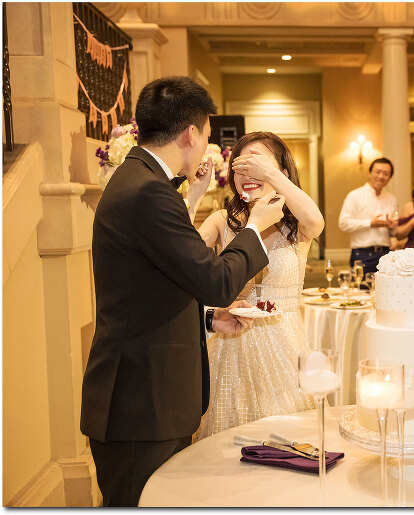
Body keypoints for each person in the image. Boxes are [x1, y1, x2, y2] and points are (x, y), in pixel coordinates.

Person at [80, 76, 284, 506]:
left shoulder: (139, 179)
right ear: (190, 134)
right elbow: (217, 281)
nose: (207, 145)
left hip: (146, 397)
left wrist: (209, 318)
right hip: (141, 404)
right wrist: (255, 228)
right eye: (207, 134)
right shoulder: (149, 191)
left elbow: (149, 289)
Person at [194, 132, 325, 439]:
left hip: (285, 348)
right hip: (231, 347)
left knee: (289, 443)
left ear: (282, 172)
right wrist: (196, 195)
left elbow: (316, 221)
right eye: (241, 166)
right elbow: (182, 258)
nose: (248, 173)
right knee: (228, 442)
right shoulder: (221, 220)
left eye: (257, 164)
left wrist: (271, 175)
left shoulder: (296, 225)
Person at [338, 157, 398, 276]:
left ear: (390, 178)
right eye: (378, 172)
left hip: (386, 254)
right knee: (361, 287)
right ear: (370, 173)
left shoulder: (391, 199)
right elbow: (343, 223)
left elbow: (393, 232)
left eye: (386, 174)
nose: (381, 176)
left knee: (385, 288)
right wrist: (370, 223)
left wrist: (392, 227)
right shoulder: (355, 195)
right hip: (362, 254)